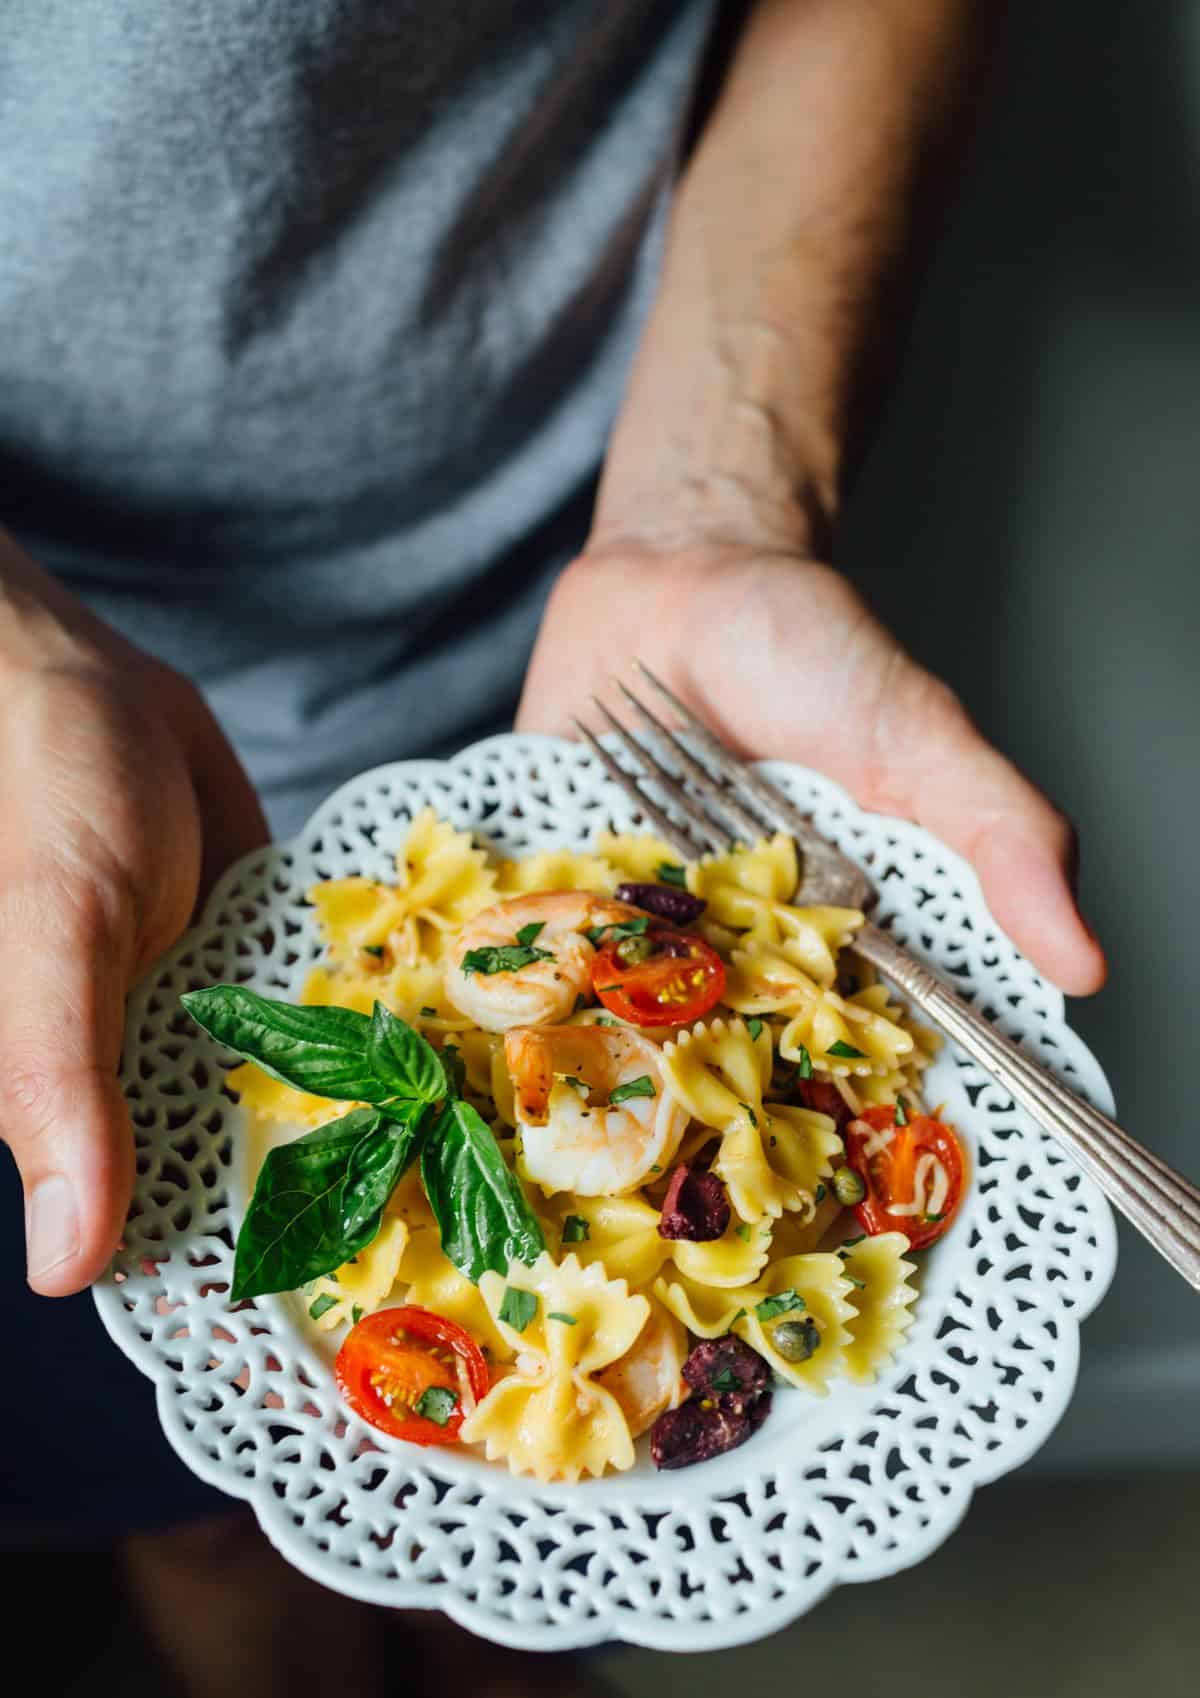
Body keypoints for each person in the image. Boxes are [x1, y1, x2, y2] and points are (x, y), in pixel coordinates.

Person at [0, 2, 1106, 1692]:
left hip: (634, 657)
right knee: (210, 1508)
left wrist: (712, 506)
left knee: (539, 1589)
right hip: (33, 781)